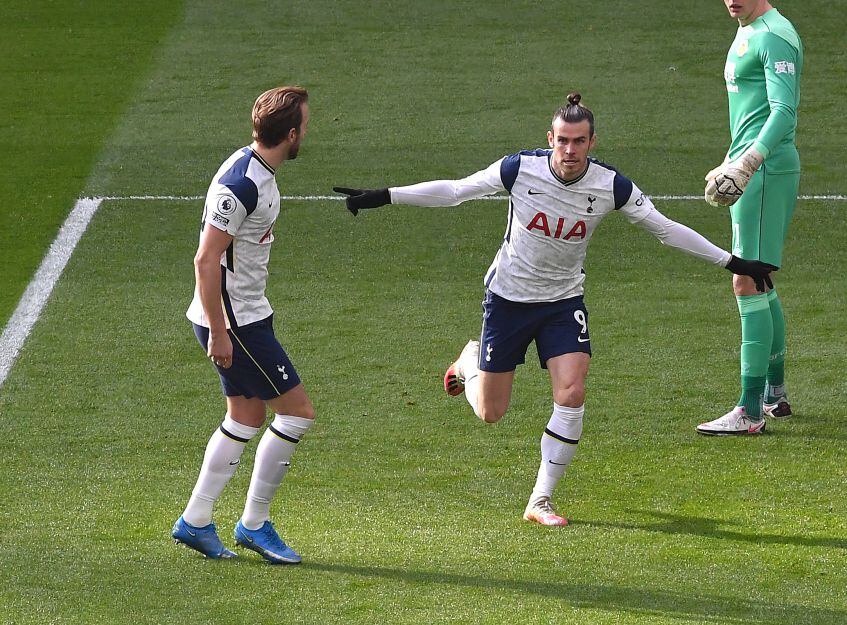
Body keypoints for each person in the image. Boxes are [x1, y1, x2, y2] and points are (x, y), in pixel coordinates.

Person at [334, 93, 776, 526]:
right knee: (491, 413)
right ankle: (470, 362)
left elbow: (665, 230)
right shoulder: (518, 169)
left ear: (592, 142)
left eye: (578, 141)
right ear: (550, 138)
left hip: (563, 302)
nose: (569, 150)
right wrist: (382, 196)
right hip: (508, 300)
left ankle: (540, 500)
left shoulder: (612, 186)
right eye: (562, 140)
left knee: (572, 392)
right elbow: (454, 191)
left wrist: (733, 263)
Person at [171, 86, 313, 563]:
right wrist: (219, 330)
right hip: (236, 323)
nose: (306, 134)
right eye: (305, 127)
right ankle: (254, 523)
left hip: (248, 312)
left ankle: (195, 520)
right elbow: (205, 259)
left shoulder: (253, 166)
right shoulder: (242, 185)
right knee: (296, 414)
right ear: (290, 134)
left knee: (245, 416)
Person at [696, 0, 803, 436]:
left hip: (765, 172)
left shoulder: (773, 35)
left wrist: (748, 163)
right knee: (760, 278)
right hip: (754, 170)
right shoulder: (748, 28)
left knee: (746, 278)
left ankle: (749, 410)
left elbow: (783, 111)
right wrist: (728, 161)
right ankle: (774, 395)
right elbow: (751, 114)